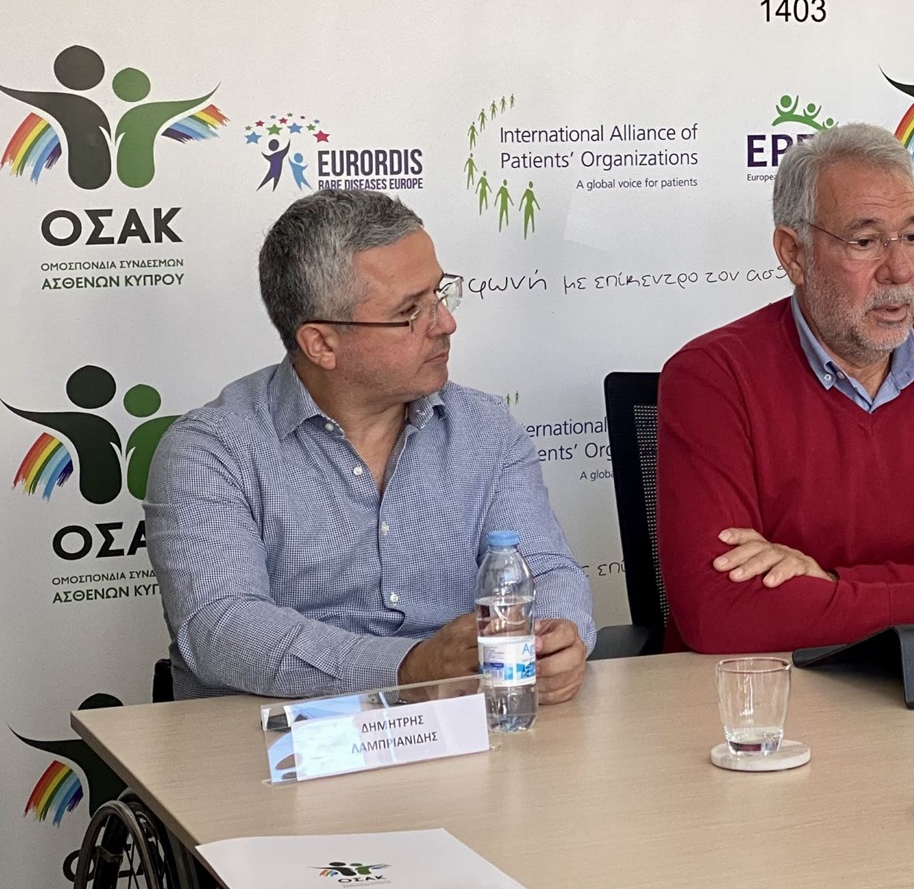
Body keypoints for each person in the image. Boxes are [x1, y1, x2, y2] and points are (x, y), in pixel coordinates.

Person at [147, 190, 595, 700]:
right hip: (273, 737)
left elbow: (547, 571)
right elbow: (222, 628)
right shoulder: (211, 451)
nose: (446, 324)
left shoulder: (486, 429)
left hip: (468, 723)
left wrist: (554, 642)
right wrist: (408, 668)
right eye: (410, 312)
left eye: (439, 295)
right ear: (322, 344)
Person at [657, 123, 914, 654]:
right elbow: (719, 610)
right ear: (795, 254)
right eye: (866, 242)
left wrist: (829, 585)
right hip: (776, 688)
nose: (898, 270)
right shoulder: (712, 377)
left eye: (912, 237)